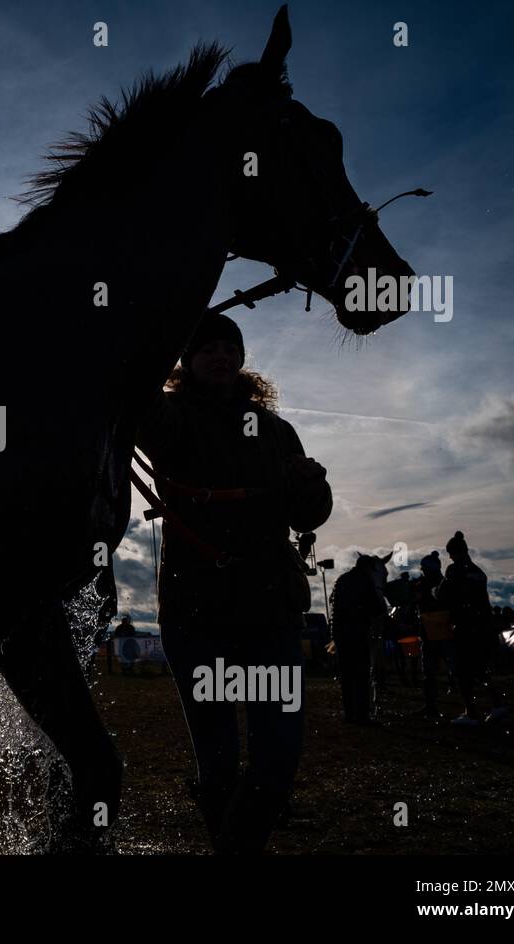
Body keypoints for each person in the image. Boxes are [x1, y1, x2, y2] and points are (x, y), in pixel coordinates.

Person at [137, 312, 331, 854]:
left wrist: (314, 488)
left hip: (269, 608)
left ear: (241, 358)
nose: (221, 357)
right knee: (218, 760)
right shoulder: (165, 415)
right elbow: (128, 389)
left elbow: (308, 516)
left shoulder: (276, 428)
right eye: (206, 350)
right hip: (196, 613)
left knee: (277, 758)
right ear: (185, 362)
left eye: (230, 347)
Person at [436, 531, 507, 726]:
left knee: (462, 671)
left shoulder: (453, 570)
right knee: (481, 669)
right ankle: (497, 704)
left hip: (464, 627)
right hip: (482, 626)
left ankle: (471, 712)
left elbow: (442, 595)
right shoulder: (478, 572)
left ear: (453, 552)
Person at [330, 555, 388, 724]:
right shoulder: (366, 581)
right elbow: (377, 608)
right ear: (369, 568)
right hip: (358, 633)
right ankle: (362, 715)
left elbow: (334, 606)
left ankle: (349, 714)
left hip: (340, 635)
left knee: (346, 677)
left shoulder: (341, 580)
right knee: (361, 676)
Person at [415, 551, 456, 717]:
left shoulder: (424, 585)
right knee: (443, 669)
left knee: (429, 672)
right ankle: (433, 704)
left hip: (434, 632)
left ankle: (431, 705)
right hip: (443, 631)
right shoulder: (444, 582)